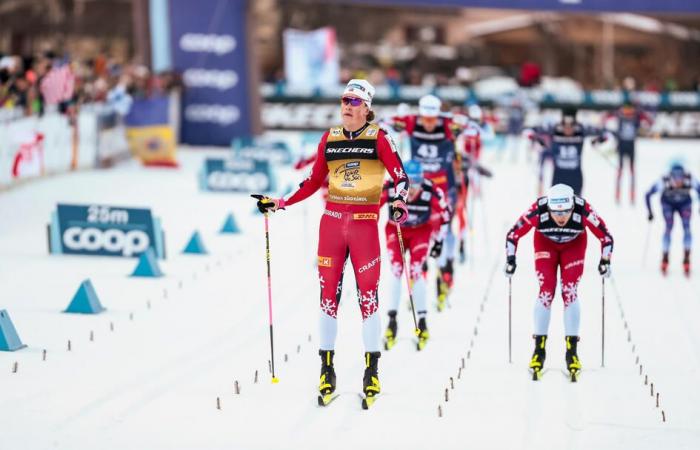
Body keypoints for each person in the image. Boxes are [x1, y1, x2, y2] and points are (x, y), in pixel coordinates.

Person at [252, 79, 409, 405]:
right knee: (327, 299)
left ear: (367, 107)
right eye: (344, 100)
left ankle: (371, 372)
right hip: (332, 226)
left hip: (365, 225)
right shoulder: (330, 138)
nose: (347, 106)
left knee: (368, 299)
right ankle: (327, 371)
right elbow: (311, 182)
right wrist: (279, 203)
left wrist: (399, 202)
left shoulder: (379, 137)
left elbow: (401, 177)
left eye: (354, 102)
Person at [504, 184, 613, 381]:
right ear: (549, 208)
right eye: (556, 212)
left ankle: (572, 352)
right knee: (546, 291)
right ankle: (539, 350)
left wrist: (605, 261)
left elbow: (606, 236)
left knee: (569, 291)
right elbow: (513, 234)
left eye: (565, 212)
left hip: (575, 244)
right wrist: (511, 260)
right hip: (545, 243)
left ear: (572, 207)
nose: (561, 217)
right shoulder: (538, 209)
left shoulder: (583, 208)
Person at [382, 94, 460, 310]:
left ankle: (445, 273)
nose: (427, 123)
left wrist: (461, 128)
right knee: (420, 229)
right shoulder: (411, 121)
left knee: (444, 229)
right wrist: (395, 122)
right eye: (424, 118)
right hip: (416, 184)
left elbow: (477, 128)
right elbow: (382, 122)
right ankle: (419, 281)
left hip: (442, 185)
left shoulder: (446, 123)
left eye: (432, 118)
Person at [380, 160, 450, 351]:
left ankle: (422, 320)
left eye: (417, 183)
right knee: (396, 271)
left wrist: (439, 241)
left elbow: (445, 216)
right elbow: (372, 207)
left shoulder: (431, 190)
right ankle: (392, 321)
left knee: (416, 271)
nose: (412, 190)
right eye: (410, 184)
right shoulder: (391, 187)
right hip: (396, 230)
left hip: (421, 231)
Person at [527, 108, 609, 195]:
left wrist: (598, 140)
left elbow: (607, 133)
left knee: (577, 204)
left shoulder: (582, 129)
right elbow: (528, 130)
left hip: (575, 175)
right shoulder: (555, 128)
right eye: (565, 126)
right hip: (558, 176)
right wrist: (538, 140)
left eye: (571, 126)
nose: (568, 129)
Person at [645, 162, 700, 276]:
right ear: (672, 176)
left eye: (681, 178)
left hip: (685, 204)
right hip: (668, 204)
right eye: (676, 179)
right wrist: (650, 211)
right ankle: (665, 258)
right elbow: (648, 194)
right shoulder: (664, 181)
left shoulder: (690, 179)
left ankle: (686, 258)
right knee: (669, 228)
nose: (678, 182)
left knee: (687, 228)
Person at [604, 102, 653, 204]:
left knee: (631, 171)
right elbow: (607, 116)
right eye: (626, 110)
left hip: (631, 145)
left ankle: (632, 197)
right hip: (621, 145)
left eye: (630, 110)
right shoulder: (619, 114)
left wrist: (643, 118)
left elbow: (649, 121)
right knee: (620, 171)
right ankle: (617, 196)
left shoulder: (637, 115)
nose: (628, 113)